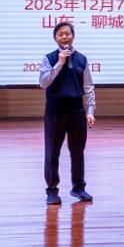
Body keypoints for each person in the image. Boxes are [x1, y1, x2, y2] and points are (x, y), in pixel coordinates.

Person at [38, 21, 95, 204]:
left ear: (73, 36)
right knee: (52, 152)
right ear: (55, 38)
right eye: (60, 34)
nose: (64, 37)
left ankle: (79, 188)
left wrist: (90, 111)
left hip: (77, 111)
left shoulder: (82, 59)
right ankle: (52, 191)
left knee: (78, 151)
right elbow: (43, 83)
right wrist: (60, 63)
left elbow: (88, 86)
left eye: (67, 34)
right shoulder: (49, 58)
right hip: (55, 111)